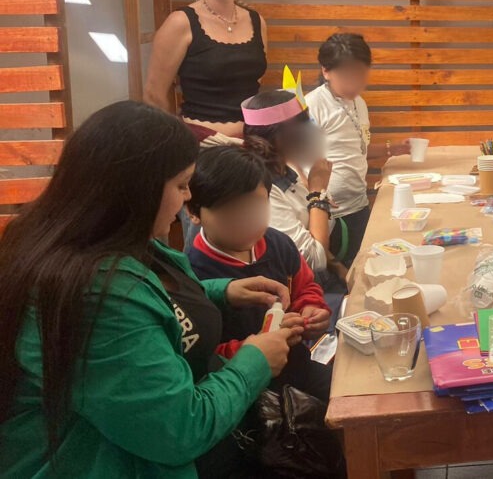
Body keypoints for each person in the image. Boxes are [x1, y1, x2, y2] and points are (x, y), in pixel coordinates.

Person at [0, 101, 300, 478]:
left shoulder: (114, 240)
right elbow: (178, 429)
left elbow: (155, 304)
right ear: (135, 189)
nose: (188, 197)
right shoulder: (94, 295)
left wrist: (220, 291)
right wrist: (254, 363)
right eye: (180, 185)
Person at [186, 145, 335, 400]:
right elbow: (199, 354)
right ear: (193, 213)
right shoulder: (191, 273)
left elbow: (306, 287)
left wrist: (310, 311)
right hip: (244, 393)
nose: (247, 222)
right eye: (231, 212)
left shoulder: (278, 243)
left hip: (298, 367)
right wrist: (253, 348)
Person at [145, 0, 267, 144]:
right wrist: (175, 145)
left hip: (252, 144)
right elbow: (154, 94)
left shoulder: (256, 21)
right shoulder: (180, 22)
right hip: (201, 144)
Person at [305, 33, 410, 264]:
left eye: (360, 73)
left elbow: (358, 149)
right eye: (346, 74)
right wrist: (317, 202)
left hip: (358, 204)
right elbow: (301, 165)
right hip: (331, 215)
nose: (354, 81)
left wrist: (392, 149)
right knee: (342, 274)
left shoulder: (359, 102)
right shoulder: (313, 105)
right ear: (326, 71)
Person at [242, 89, 349, 292]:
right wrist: (318, 192)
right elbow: (315, 259)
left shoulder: (287, 170)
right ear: (280, 138)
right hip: (298, 294)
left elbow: (318, 241)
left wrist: (337, 266)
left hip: (323, 279)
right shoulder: (262, 189)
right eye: (305, 127)